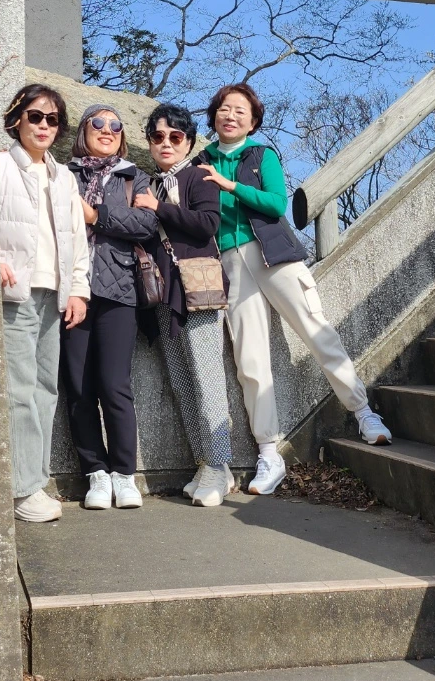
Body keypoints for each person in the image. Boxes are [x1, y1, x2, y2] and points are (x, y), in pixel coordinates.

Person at [198, 82, 391, 497]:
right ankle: (269, 453)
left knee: (317, 331)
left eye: (240, 111)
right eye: (225, 109)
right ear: (214, 115)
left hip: (274, 255)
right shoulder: (200, 161)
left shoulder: (260, 155)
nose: (230, 116)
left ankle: (363, 412)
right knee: (249, 358)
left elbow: (275, 204)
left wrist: (229, 186)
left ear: (252, 122)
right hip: (230, 263)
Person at [0, 84, 90, 524]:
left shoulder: (64, 176)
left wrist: (78, 290)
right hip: (14, 294)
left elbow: (77, 241)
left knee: (44, 390)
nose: (44, 125)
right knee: (18, 390)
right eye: (35, 116)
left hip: (54, 294)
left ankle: (34, 479)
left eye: (53, 119)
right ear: (17, 119)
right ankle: (22, 489)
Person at [134, 103, 235, 508]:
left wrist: (159, 208)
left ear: (189, 142)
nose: (166, 143)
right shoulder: (147, 184)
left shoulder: (199, 177)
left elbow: (208, 224)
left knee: (208, 379)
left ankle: (220, 464)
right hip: (164, 293)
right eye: (158, 136)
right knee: (182, 381)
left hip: (198, 289)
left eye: (175, 137)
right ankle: (206, 464)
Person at [60, 103, 158, 511]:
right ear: (83, 131)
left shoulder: (135, 177)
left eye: (115, 125)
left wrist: (94, 214)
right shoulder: (62, 175)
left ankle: (124, 474)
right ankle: (96, 474)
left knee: (115, 385)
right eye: (97, 123)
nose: (107, 129)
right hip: (72, 290)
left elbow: (146, 225)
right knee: (79, 388)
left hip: (119, 291)